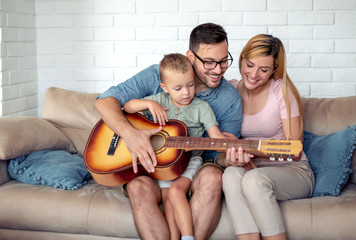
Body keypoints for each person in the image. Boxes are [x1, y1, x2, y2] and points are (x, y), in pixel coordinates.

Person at [95, 23, 242, 240]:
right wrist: (130, 134)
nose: (218, 70)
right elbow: (105, 102)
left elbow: (218, 156)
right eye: (210, 62)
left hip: (195, 165)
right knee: (138, 188)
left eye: (223, 61)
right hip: (152, 164)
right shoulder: (159, 75)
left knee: (212, 177)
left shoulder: (229, 99)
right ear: (190, 56)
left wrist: (230, 159)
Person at [219, 34, 315, 240]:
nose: (253, 75)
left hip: (292, 170)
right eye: (249, 65)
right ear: (241, 59)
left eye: (263, 70)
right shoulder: (230, 90)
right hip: (253, 168)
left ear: (274, 69)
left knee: (254, 180)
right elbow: (223, 143)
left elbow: (295, 148)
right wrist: (231, 156)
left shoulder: (282, 91)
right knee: (230, 175)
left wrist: (244, 146)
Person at [123, 53, 226, 240]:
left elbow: (216, 137)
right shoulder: (159, 101)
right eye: (178, 88)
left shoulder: (201, 107)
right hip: (162, 164)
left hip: (189, 161)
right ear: (165, 87)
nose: (186, 93)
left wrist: (233, 143)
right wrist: (148, 103)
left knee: (176, 192)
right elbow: (127, 107)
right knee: (166, 196)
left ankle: (187, 237)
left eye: (190, 85)